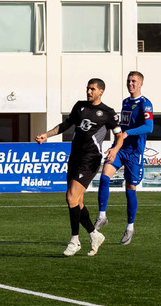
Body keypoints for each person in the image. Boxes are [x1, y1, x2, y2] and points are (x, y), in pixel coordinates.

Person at [36, 79, 125, 257]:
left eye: (93, 89)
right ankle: (94, 235)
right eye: (88, 89)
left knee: (71, 197)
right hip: (75, 157)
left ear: (101, 91)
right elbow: (65, 125)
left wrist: (115, 150)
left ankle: (74, 240)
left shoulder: (107, 113)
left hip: (90, 160)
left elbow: (120, 136)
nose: (89, 92)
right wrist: (47, 134)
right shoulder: (80, 106)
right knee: (77, 201)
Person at [95, 71, 153, 245]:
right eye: (129, 81)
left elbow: (149, 127)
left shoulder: (145, 104)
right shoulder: (126, 102)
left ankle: (130, 227)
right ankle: (102, 216)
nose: (130, 84)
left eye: (134, 81)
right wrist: (116, 143)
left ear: (140, 84)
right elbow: (122, 125)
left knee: (130, 189)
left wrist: (128, 133)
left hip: (134, 152)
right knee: (104, 176)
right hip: (120, 148)